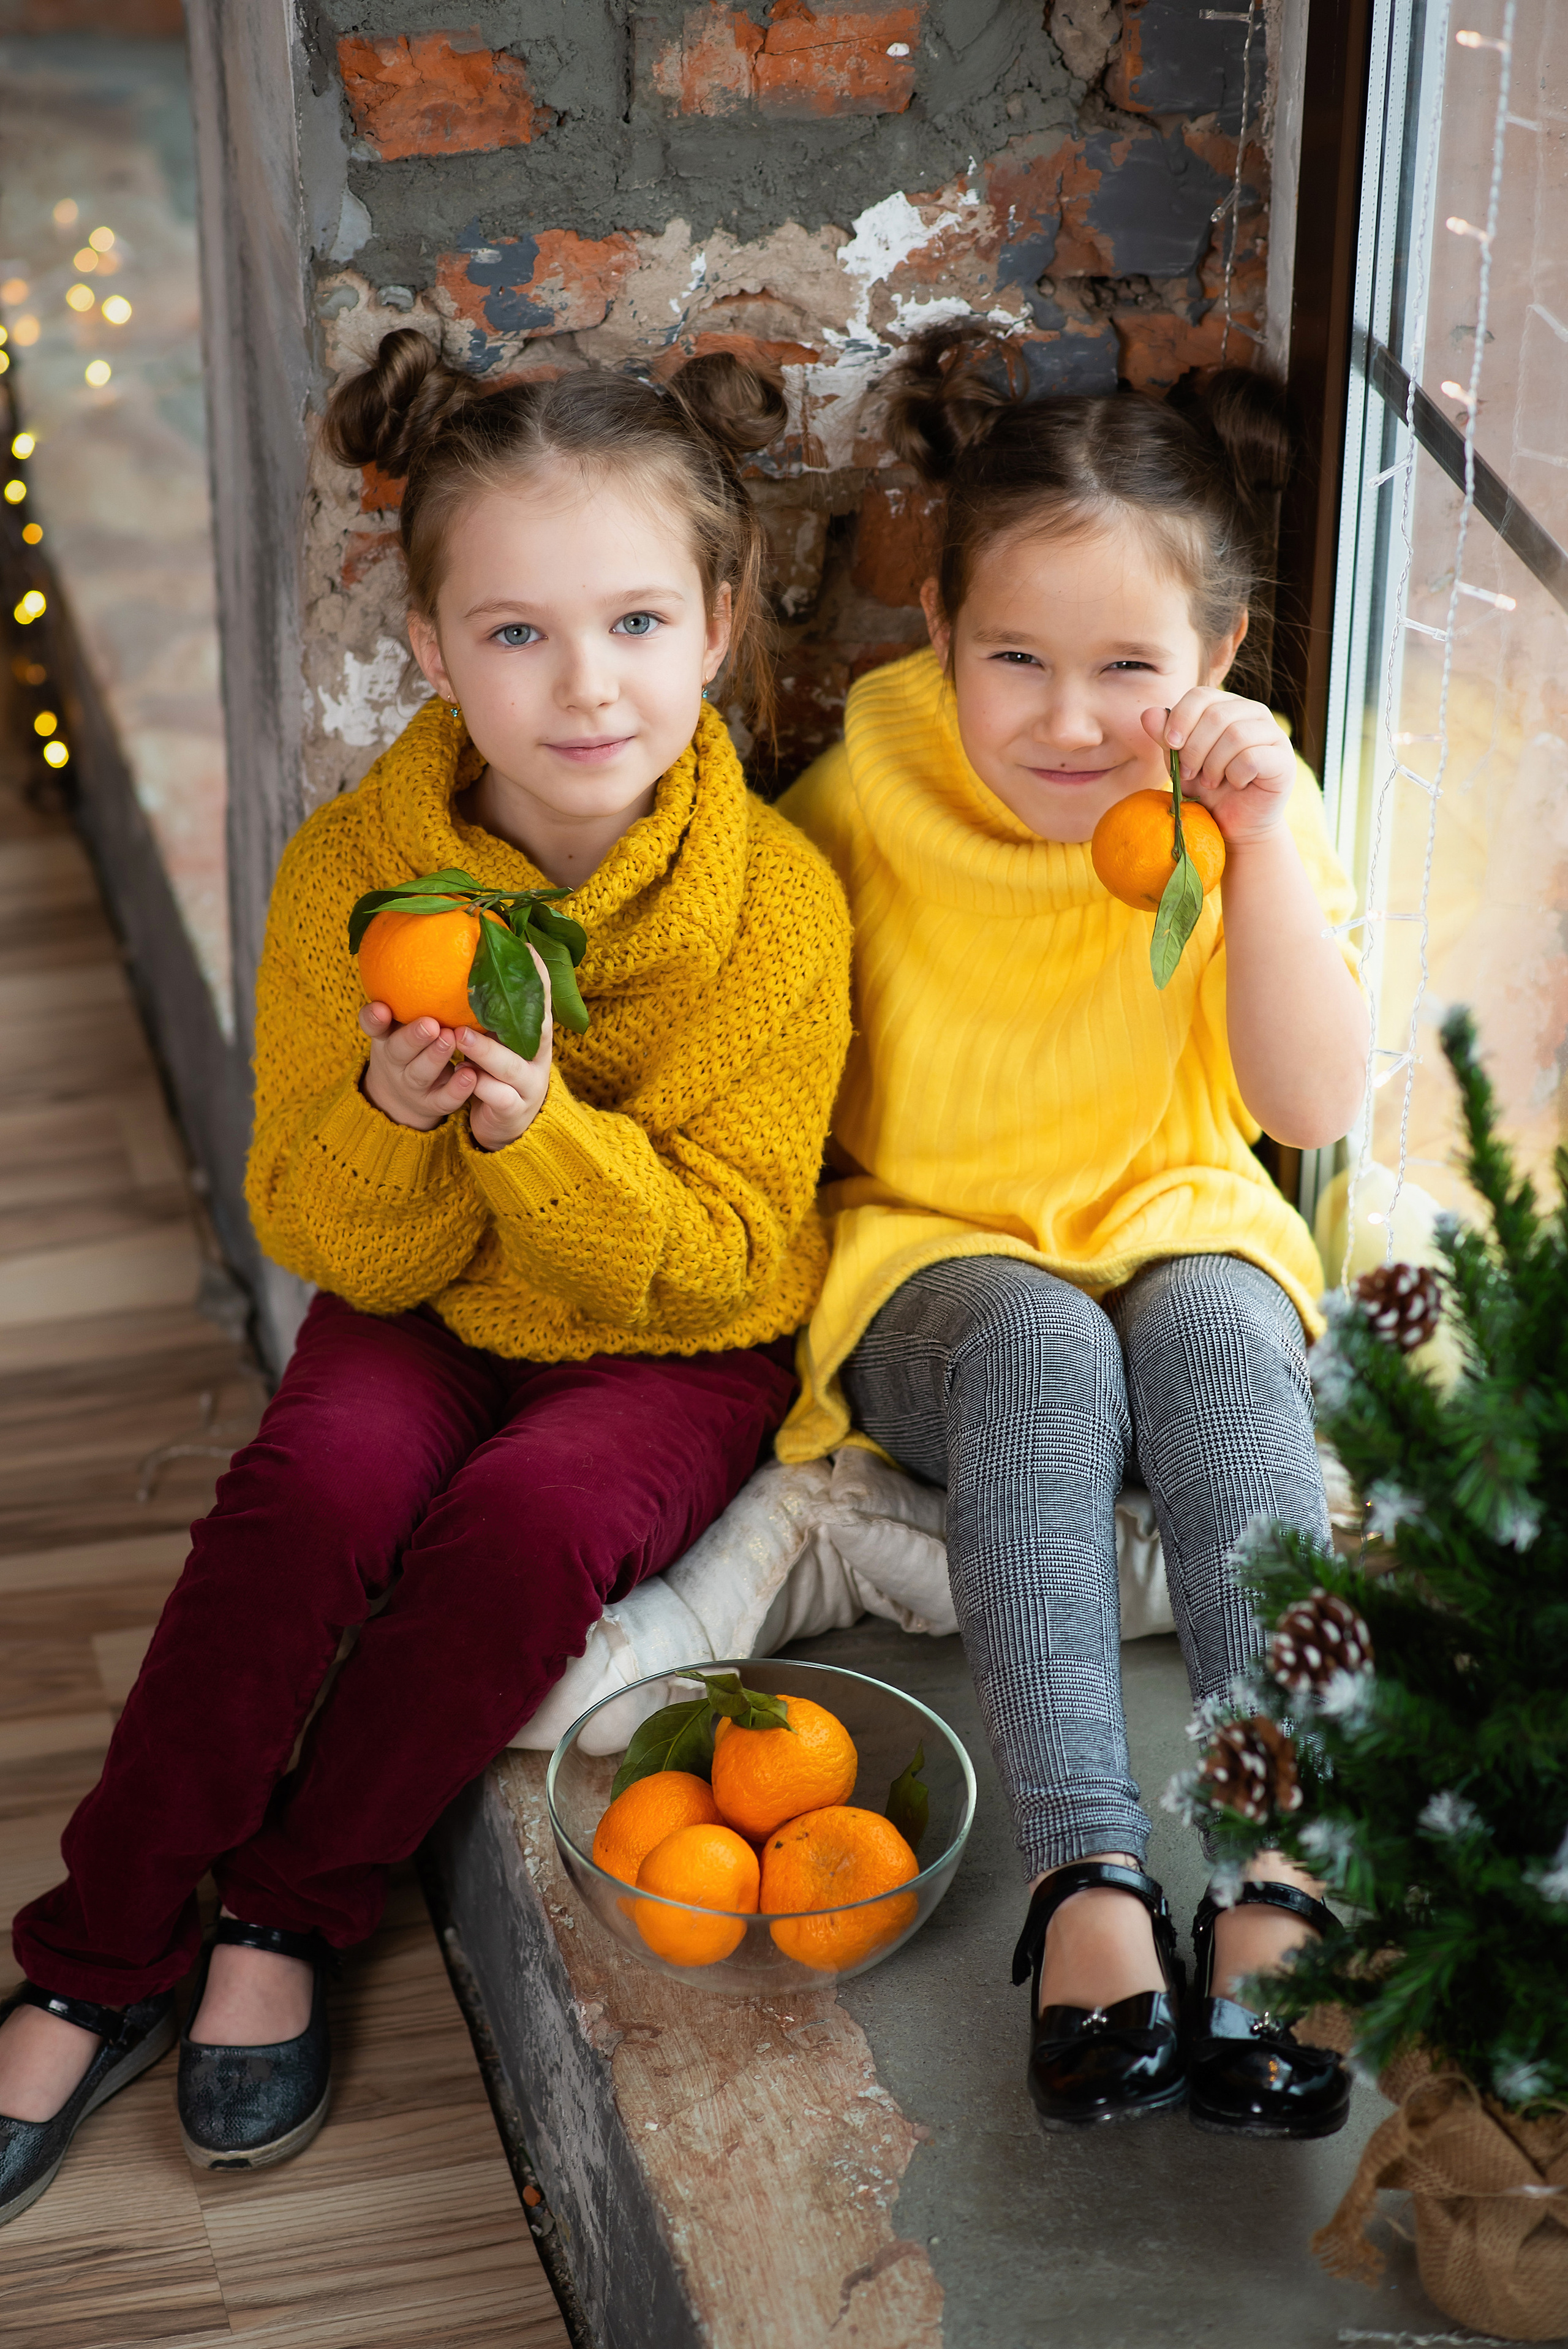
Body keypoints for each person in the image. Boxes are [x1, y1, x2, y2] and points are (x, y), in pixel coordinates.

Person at [0, 331, 851, 2215]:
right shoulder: (353, 880)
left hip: (671, 1337)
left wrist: (535, 1129)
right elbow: (325, 1228)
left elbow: (716, 1258)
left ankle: (290, 1914)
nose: (584, 685)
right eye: (519, 633)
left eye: (634, 622)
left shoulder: (771, 908)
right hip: (428, 1295)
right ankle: (101, 1940)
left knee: (522, 1529)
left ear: (717, 625)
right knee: (311, 1490)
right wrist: (401, 1116)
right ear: (436, 646)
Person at [775, 325, 1369, 2137]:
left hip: (1179, 1213)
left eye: (1128, 667)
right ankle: (1086, 1875)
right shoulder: (872, 784)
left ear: (1217, 658)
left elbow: (1312, 1107)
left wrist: (1260, 844)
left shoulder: (1234, 807)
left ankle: (1280, 1869)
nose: (1066, 717)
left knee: (1212, 1332)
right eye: (1013, 659)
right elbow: (771, 1031)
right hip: (935, 1258)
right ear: (936, 631)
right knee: (1041, 1343)